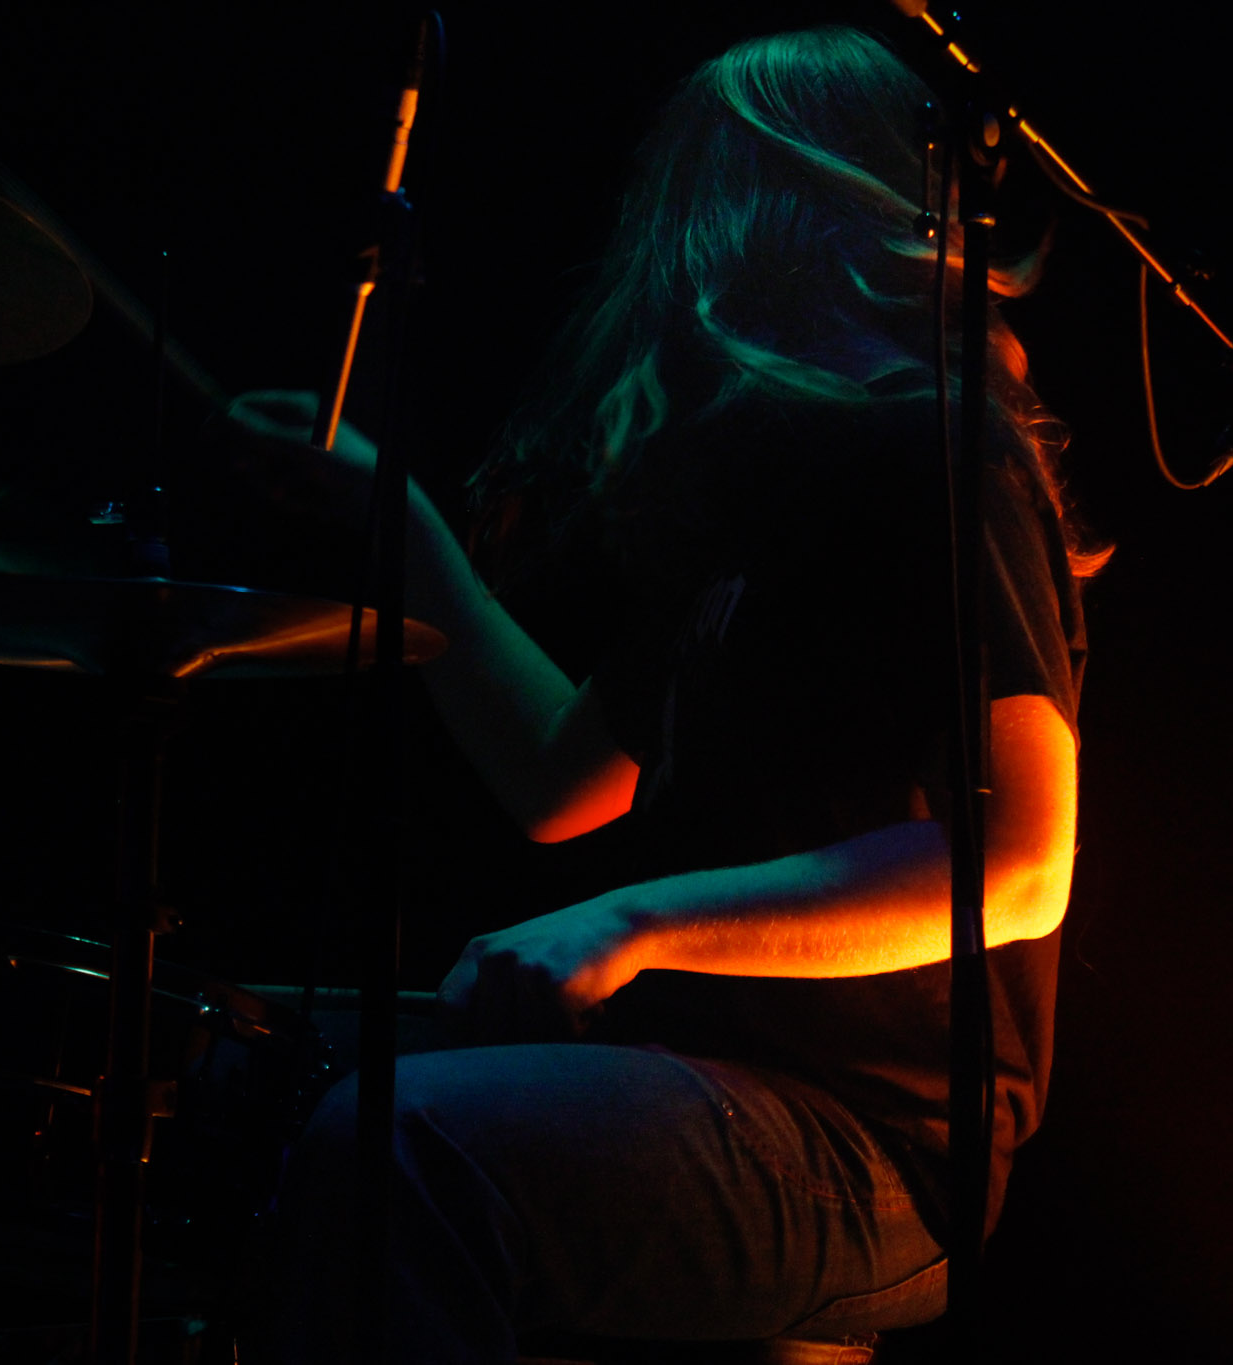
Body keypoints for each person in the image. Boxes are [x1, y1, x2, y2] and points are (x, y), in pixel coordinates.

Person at [234, 25, 1100, 1362]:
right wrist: (398, 524)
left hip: (870, 1134)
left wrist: (632, 921)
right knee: (240, 1075)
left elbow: (1023, 867)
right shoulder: (767, 486)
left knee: (400, 1148)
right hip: (703, 1076)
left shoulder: (936, 451)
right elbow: (564, 779)